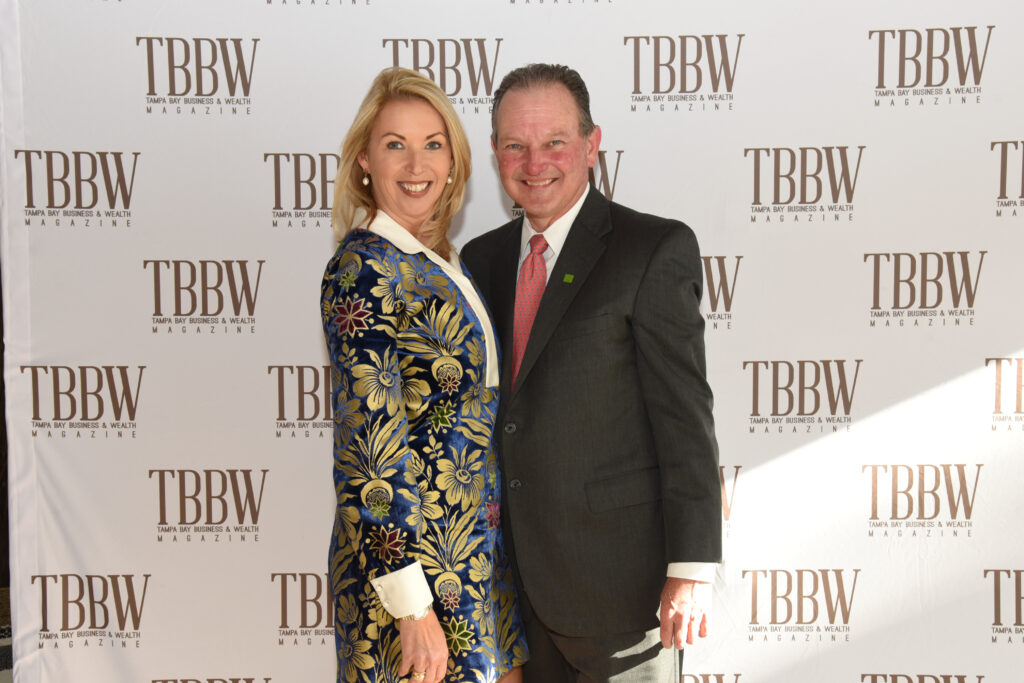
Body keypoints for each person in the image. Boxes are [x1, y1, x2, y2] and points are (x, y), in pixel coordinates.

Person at [460, 63, 722, 682]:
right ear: (495, 152)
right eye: (515, 145)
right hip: (513, 601)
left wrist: (691, 569)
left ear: (591, 143)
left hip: (623, 598)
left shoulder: (652, 250)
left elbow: (685, 421)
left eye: (554, 141)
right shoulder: (479, 260)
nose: (535, 162)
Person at [321, 67, 527, 683]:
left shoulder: (441, 263)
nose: (417, 165)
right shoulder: (364, 270)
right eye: (396, 145)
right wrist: (411, 607)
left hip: (476, 560)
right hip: (412, 581)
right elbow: (369, 449)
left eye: (433, 144)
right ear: (365, 160)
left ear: (454, 159)